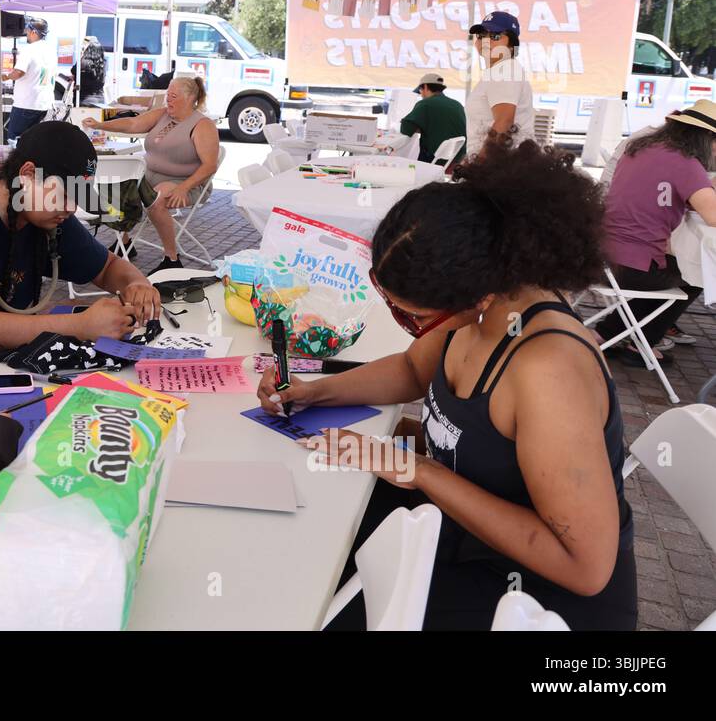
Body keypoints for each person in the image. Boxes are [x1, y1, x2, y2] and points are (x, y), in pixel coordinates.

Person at [255, 141, 636, 630]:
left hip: (533, 600)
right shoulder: (478, 311)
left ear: (476, 296)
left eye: (412, 317)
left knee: (310, 595)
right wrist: (311, 391)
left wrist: (420, 471)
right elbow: (412, 372)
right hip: (464, 533)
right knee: (306, 541)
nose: (407, 325)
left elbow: (584, 567)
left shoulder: (548, 370)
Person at [0, 121, 163, 414]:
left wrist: (136, 284)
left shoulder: (47, 216)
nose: (71, 208)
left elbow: (107, 267)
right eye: (64, 195)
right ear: (26, 175)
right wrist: (79, 326)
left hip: (6, 370)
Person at [595, 105, 716, 366]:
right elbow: (713, 216)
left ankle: (604, 334)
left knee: (673, 268)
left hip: (601, 258)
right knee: (697, 274)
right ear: (706, 139)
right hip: (632, 267)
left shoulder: (640, 149)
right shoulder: (686, 163)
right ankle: (642, 344)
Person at [84, 75, 220, 272]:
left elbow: (209, 166)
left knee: (156, 200)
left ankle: (172, 259)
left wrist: (184, 188)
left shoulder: (202, 125)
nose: (168, 100)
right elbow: (133, 124)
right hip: (149, 177)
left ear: (190, 99)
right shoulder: (163, 114)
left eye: (173, 96)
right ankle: (125, 242)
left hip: (186, 183)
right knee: (111, 190)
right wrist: (99, 125)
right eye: (167, 96)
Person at [465, 10, 535, 156]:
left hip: (501, 167)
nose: (485, 40)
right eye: (481, 35)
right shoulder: (498, 71)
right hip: (501, 165)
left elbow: (504, 123)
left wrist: (478, 165)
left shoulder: (505, 70)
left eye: (495, 36)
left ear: (511, 44)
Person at [1, 17, 53, 141]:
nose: (26, 34)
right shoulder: (50, 50)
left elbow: (19, 72)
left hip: (26, 104)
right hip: (43, 104)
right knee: (34, 142)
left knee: (15, 141)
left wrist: (6, 76)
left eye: (28, 31)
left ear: (34, 32)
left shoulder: (30, 49)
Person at [398, 73, 466, 164]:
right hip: (457, 158)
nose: (421, 95)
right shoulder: (457, 104)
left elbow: (406, 129)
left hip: (436, 160)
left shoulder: (425, 103)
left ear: (425, 87)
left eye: (420, 91)